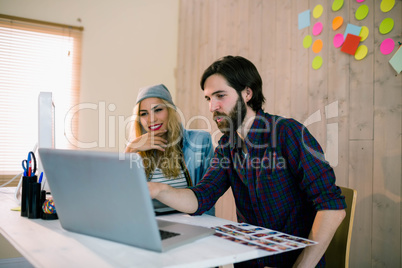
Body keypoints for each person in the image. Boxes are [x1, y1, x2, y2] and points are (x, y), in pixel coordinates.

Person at [148, 56, 346, 267]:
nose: (212, 107)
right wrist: (159, 190)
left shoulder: (287, 133)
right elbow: (202, 197)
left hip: (291, 261)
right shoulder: (227, 145)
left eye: (220, 96)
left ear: (247, 93)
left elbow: (332, 207)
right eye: (208, 99)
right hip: (249, 260)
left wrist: (302, 265)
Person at [125, 84, 214, 215]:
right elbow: (124, 196)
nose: (151, 119)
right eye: (144, 113)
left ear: (170, 110)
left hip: (191, 223)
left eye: (158, 110)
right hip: (150, 223)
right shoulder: (135, 148)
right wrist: (130, 150)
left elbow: (208, 195)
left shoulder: (199, 141)